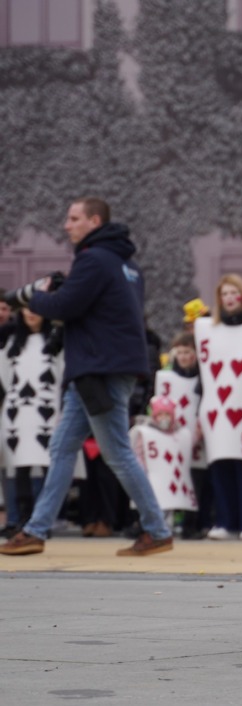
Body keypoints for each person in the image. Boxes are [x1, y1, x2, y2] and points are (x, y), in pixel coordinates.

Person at [0, 197, 172, 556]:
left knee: (117, 452)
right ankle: (36, 529)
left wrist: (34, 298)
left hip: (99, 369)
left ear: (94, 221)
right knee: (62, 448)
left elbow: (65, 306)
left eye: (74, 218)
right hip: (105, 368)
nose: (67, 225)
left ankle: (157, 530)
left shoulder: (93, 259)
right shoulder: (128, 265)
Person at [196, 274, 242, 541]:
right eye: (224, 294)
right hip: (214, 408)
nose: (229, 298)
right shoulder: (206, 330)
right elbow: (203, 373)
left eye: (233, 292)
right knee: (219, 465)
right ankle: (224, 522)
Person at [0, 307, 63, 536]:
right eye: (27, 308)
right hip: (17, 411)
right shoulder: (12, 343)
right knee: (18, 466)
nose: (31, 314)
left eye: (36, 309)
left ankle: (42, 520)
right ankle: (20, 519)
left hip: (47, 409)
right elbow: (5, 376)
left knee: (48, 465)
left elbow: (62, 373)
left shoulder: (55, 342)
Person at [156, 332, 210, 538]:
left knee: (196, 481)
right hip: (172, 436)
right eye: (180, 352)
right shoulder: (166, 378)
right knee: (169, 477)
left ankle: (192, 524)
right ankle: (164, 523)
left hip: (197, 436)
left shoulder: (204, 379)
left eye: (188, 352)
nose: (184, 357)